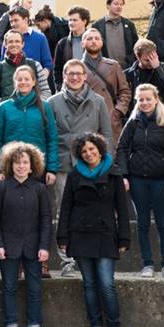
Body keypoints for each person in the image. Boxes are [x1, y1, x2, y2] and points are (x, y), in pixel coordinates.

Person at [57, 132, 130, 327]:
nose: (88, 153)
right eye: (84, 151)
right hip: (80, 235)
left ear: (99, 149)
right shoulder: (74, 175)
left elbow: (122, 209)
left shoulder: (114, 173)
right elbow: (66, 207)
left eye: (91, 149)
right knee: (89, 284)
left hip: (106, 234)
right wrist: (62, 237)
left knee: (106, 283)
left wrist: (124, 238)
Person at [48, 59, 113, 277]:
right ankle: (66, 260)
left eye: (78, 73)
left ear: (85, 76)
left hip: (91, 163)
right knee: (62, 210)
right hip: (64, 163)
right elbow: (49, 136)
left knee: (90, 209)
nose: (75, 77)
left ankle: (88, 254)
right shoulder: (53, 102)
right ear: (64, 76)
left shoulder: (98, 101)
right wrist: (51, 165)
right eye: (70, 74)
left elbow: (106, 133)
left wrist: (107, 164)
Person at [0, 141, 52, 327]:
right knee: (9, 287)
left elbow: (46, 219)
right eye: (17, 162)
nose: (21, 166)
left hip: (34, 246)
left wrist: (44, 246)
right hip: (8, 246)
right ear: (10, 165)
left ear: (32, 166)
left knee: (35, 287)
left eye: (25, 162)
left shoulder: (40, 189)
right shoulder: (1, 188)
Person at [116, 83, 164, 279]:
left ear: (156, 99)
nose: (144, 103)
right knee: (142, 223)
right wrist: (124, 175)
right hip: (138, 180)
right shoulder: (133, 122)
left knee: (163, 223)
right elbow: (122, 148)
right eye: (141, 99)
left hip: (161, 180)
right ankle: (147, 264)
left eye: (148, 99)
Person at [0, 65, 59, 186]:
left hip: (38, 168)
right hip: (11, 166)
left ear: (34, 82)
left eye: (27, 79)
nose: (23, 82)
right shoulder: (4, 107)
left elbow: (52, 139)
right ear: (15, 82)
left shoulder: (45, 107)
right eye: (19, 79)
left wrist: (52, 169)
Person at [81, 28, 132, 144]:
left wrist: (118, 111)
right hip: (85, 119)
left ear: (102, 42)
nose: (93, 41)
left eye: (97, 38)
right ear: (82, 43)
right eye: (89, 38)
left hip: (110, 118)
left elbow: (125, 91)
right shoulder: (76, 67)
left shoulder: (114, 65)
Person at [0, 30, 52, 108]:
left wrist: (35, 105)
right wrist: (7, 106)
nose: (14, 44)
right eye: (10, 42)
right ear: (5, 44)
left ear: (23, 44)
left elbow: (46, 91)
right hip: (8, 113)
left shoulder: (35, 65)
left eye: (17, 41)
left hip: (33, 112)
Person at [124, 39, 164, 115]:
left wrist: (158, 69)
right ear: (138, 57)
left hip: (160, 114)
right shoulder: (129, 74)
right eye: (147, 60)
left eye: (153, 58)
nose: (151, 62)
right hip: (138, 115)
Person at [91, 0, 138, 69]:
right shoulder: (97, 25)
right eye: (116, 4)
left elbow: (136, 45)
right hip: (105, 68)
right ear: (108, 5)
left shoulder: (129, 24)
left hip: (127, 68)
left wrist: (132, 61)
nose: (119, 6)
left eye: (121, 4)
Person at [0, 6, 52, 72]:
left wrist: (41, 77)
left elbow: (47, 65)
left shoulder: (40, 38)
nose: (13, 24)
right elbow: (2, 63)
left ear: (26, 20)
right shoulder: (8, 38)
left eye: (16, 20)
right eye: (11, 21)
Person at [0, 0, 33, 64]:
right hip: (1, 58)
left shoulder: (26, 19)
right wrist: (6, 50)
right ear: (22, 1)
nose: (31, 6)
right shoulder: (7, 15)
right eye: (29, 2)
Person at [53, 5, 91, 89]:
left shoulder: (94, 41)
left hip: (90, 88)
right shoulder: (62, 44)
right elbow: (57, 70)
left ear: (84, 21)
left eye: (75, 20)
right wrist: (59, 87)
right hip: (69, 88)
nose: (71, 23)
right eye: (70, 20)